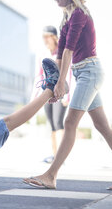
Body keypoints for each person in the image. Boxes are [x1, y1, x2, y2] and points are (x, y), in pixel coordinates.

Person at [23, 0, 112, 191]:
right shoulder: (65, 19)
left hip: (90, 71)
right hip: (83, 73)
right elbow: (59, 55)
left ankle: (50, 175)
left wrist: (62, 83)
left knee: (70, 122)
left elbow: (68, 50)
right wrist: (54, 82)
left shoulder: (80, 14)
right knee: (102, 126)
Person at [31, 26, 71, 164]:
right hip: (47, 93)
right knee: (52, 124)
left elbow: (69, 74)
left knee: (59, 122)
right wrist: (34, 97)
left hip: (60, 93)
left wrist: (67, 95)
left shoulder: (61, 54)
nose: (44, 40)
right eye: (42, 37)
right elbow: (39, 76)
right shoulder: (43, 55)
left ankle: (61, 157)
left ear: (53, 37)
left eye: (46, 37)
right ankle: (55, 156)